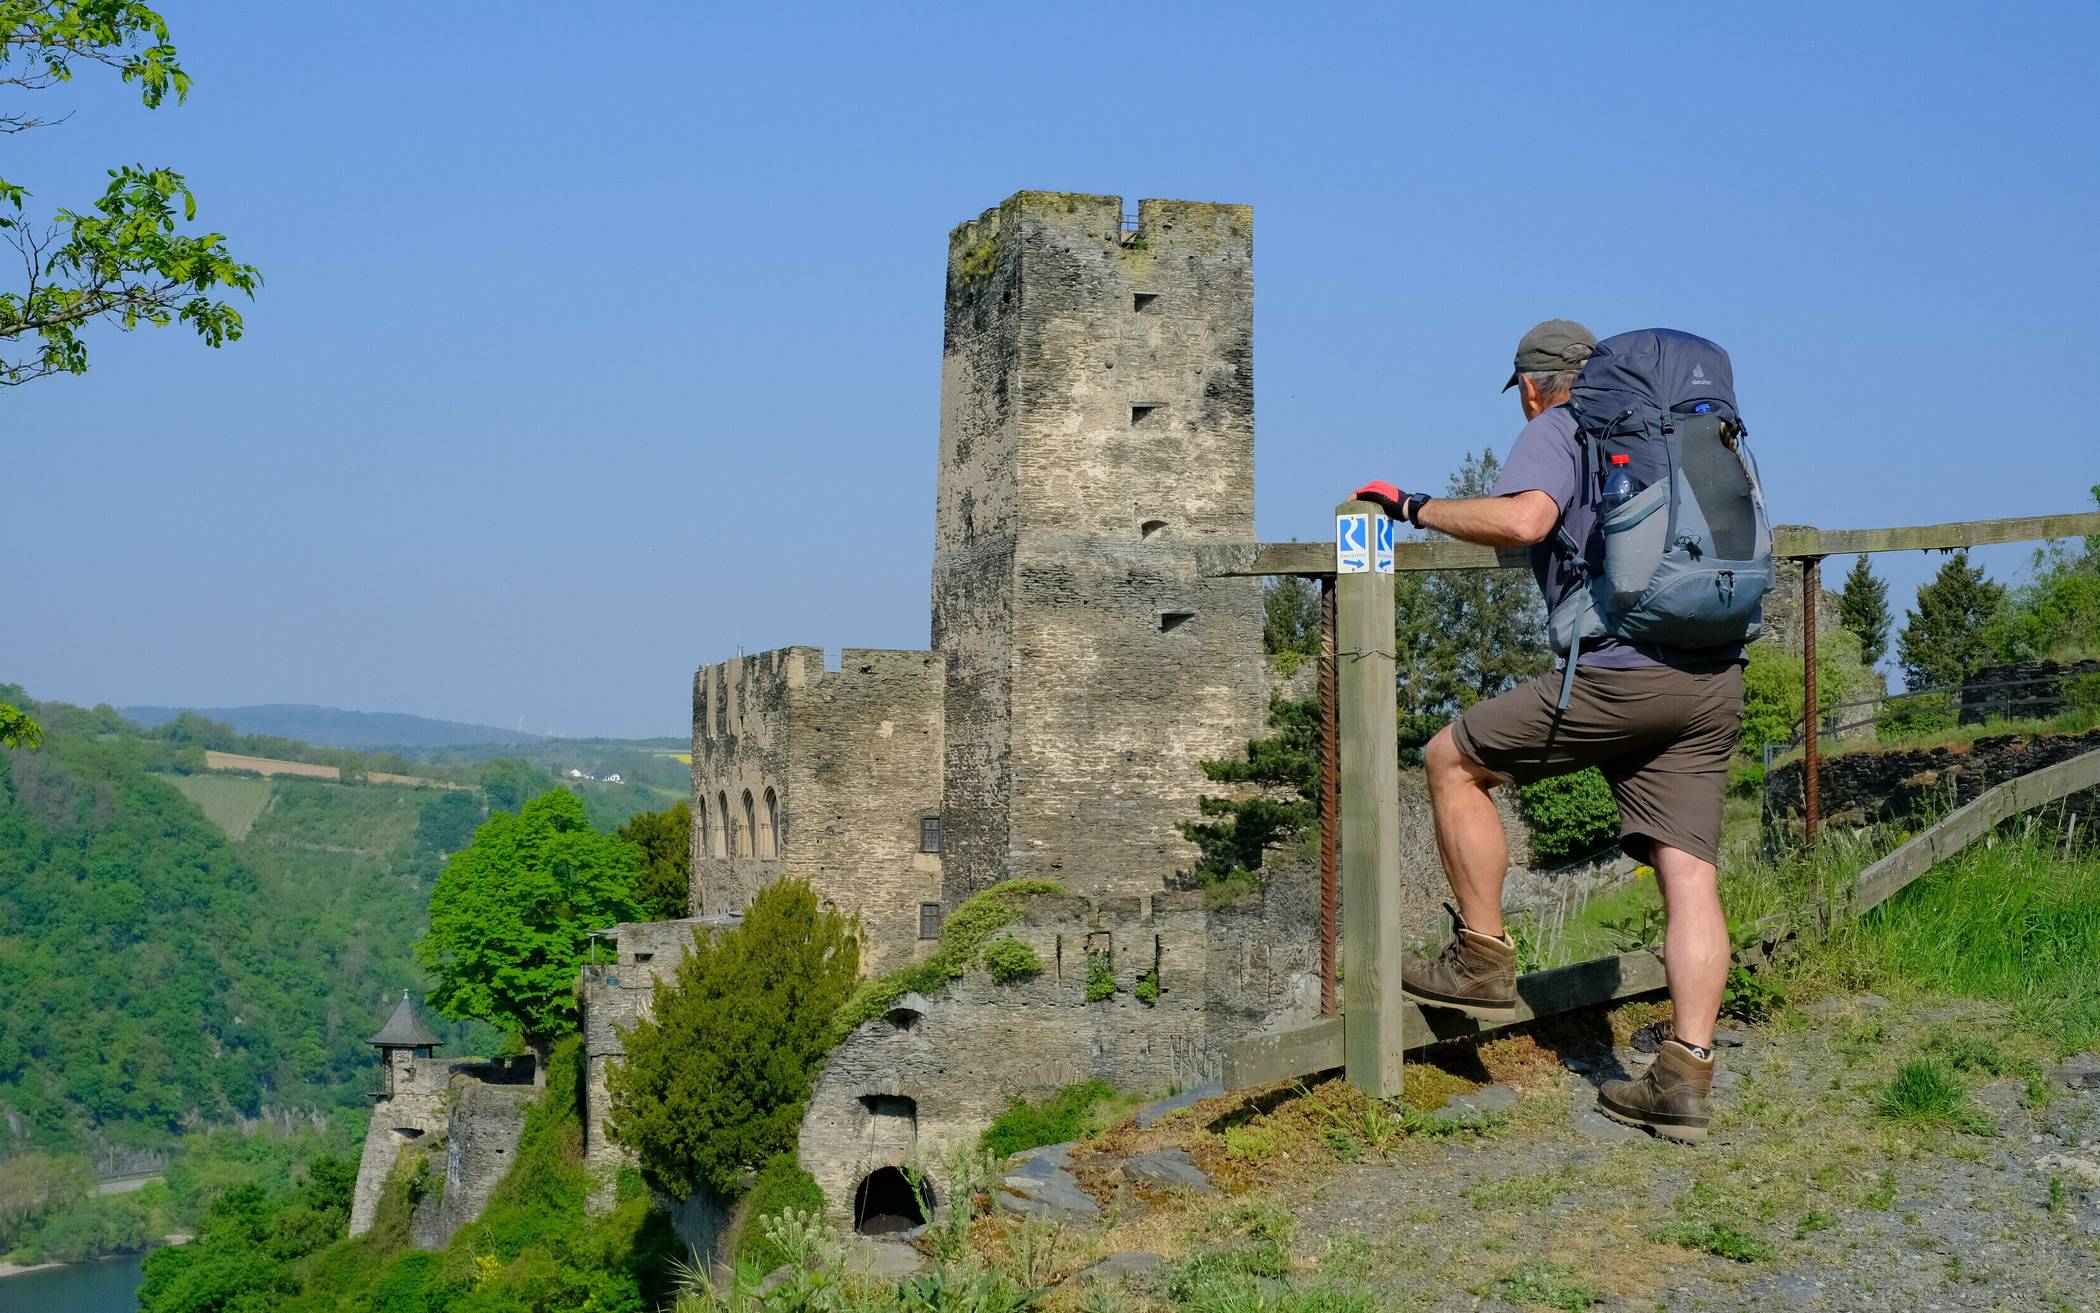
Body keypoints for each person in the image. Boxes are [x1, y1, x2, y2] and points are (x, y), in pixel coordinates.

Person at [1352, 319, 1747, 1143]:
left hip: (1621, 676)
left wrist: (1416, 506)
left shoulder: (1559, 426)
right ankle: (1685, 1076)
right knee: (1689, 872)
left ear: (1534, 383)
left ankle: (1481, 958)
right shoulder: (1680, 430)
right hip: (1711, 676)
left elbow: (1529, 519)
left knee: (1451, 758)